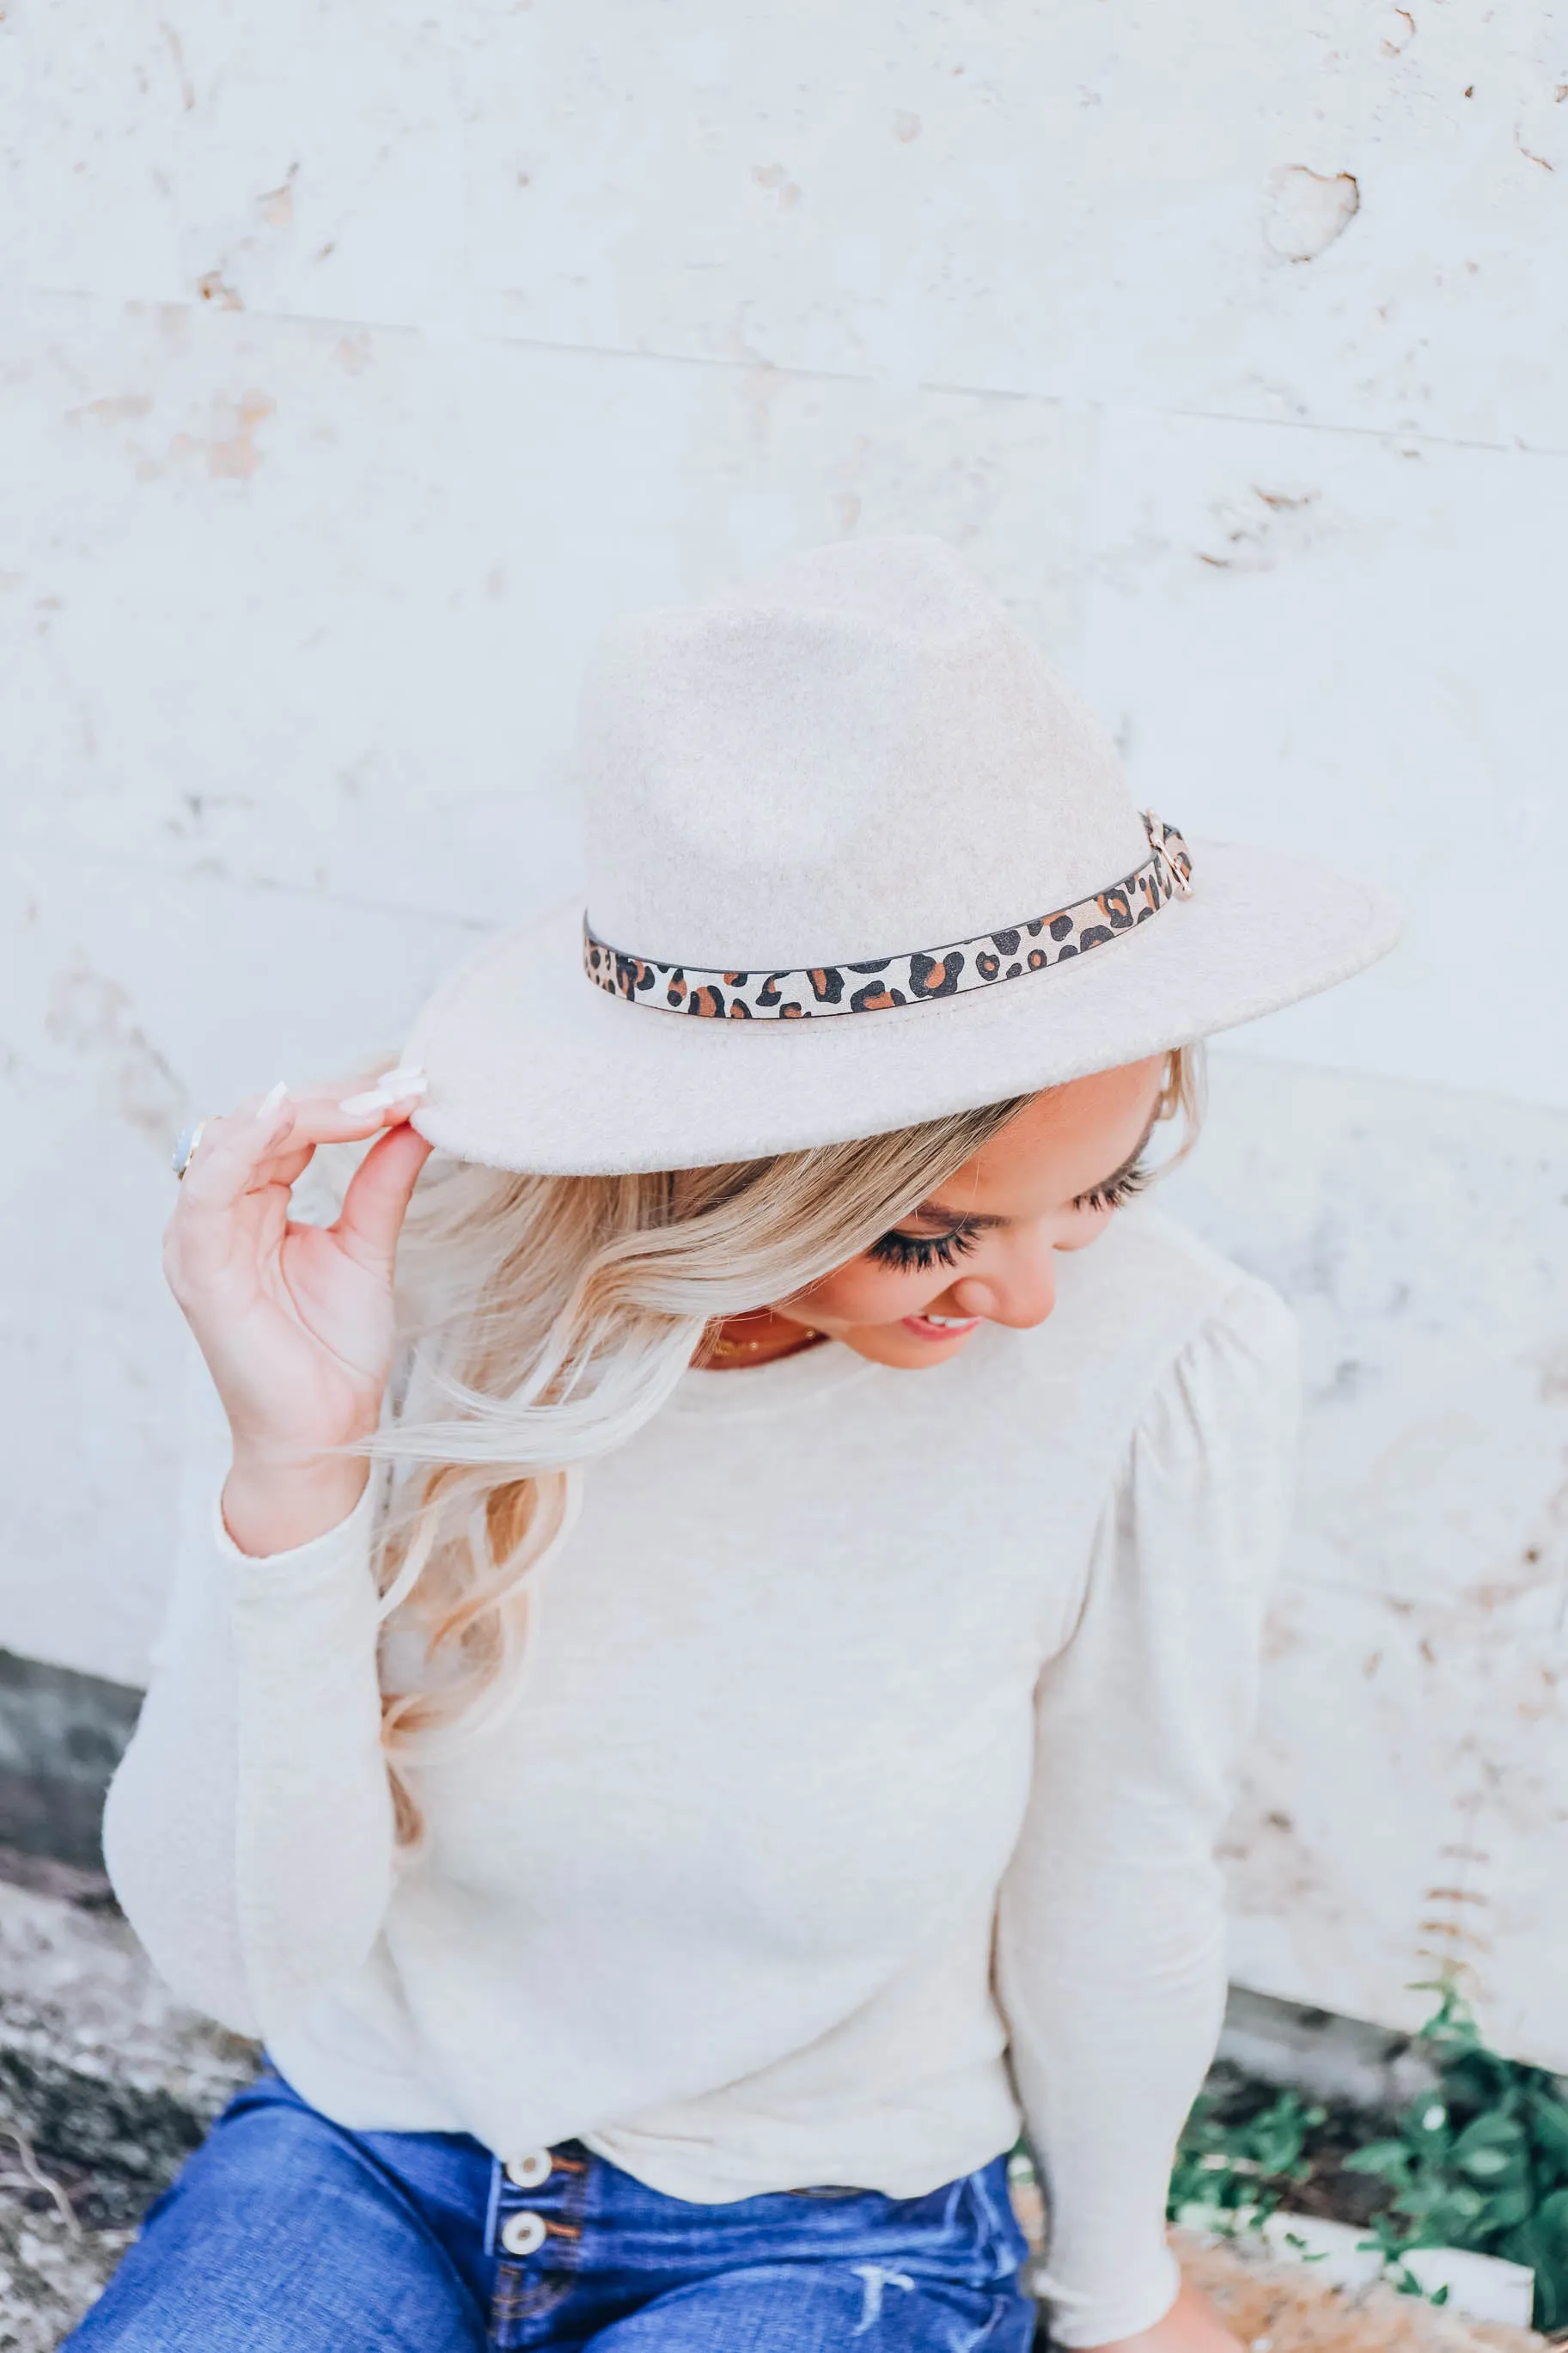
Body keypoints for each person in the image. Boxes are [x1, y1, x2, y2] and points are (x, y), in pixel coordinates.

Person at [73, 538, 1399, 2352]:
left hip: (824, 2222)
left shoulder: (1161, 1358)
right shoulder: (396, 1305)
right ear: (724, 1166)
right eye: (933, 1233)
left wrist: (1116, 2287)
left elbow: (1123, 1861)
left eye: (1099, 1189)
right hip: (372, 2145)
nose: (1025, 1299)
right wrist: (293, 1475)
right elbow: (237, 1960)